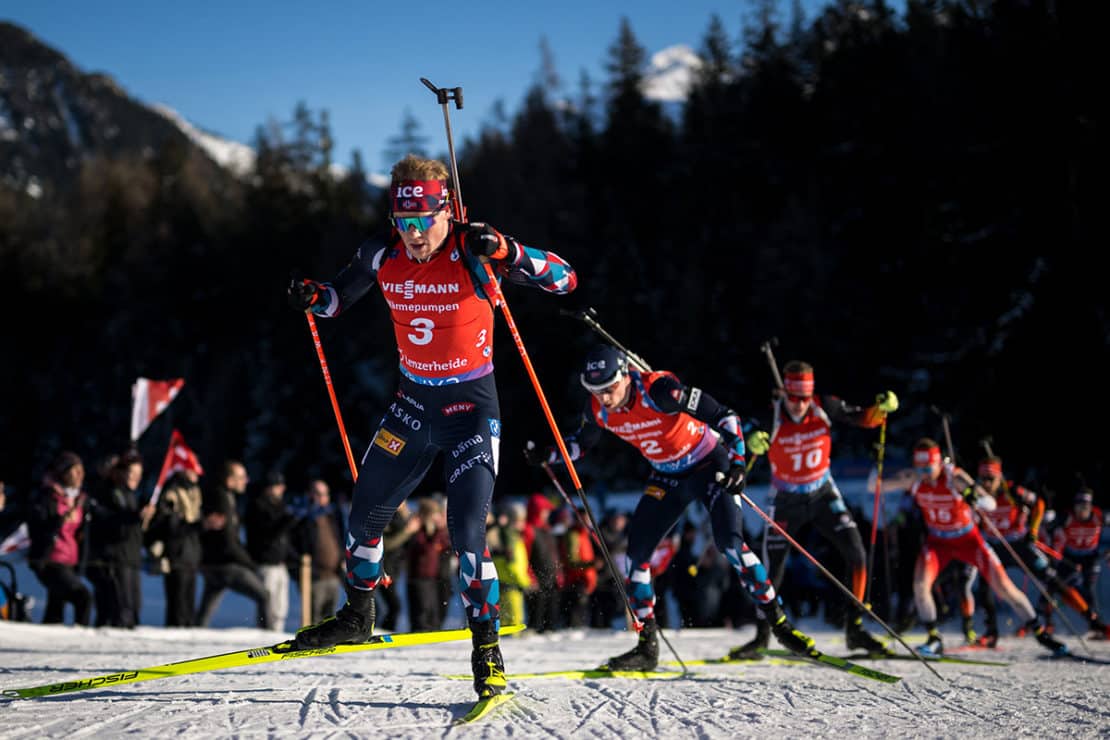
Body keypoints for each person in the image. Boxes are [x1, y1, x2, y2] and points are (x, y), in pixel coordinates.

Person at [286, 153, 577, 699]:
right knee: (363, 515)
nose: (415, 234)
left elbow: (565, 279)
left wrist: (509, 250)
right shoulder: (382, 253)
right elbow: (335, 301)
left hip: (471, 413)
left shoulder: (473, 250)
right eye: (405, 222)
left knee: (467, 530)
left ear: (448, 210)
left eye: (424, 221)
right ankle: (357, 613)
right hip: (413, 408)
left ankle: (486, 649)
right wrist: (312, 297)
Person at [527, 345, 816, 671]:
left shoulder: (660, 390)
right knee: (636, 556)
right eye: (595, 390)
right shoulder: (598, 408)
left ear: (625, 375)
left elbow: (726, 417)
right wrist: (548, 454)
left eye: (609, 388)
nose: (604, 397)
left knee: (730, 545)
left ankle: (779, 624)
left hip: (709, 464)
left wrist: (737, 463)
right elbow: (581, 444)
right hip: (667, 476)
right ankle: (647, 647)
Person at [735, 360, 898, 658]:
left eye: (805, 399)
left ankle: (855, 628)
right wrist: (750, 441)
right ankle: (761, 636)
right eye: (794, 398)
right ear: (784, 392)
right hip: (785, 499)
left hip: (823, 493)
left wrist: (881, 408)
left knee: (856, 553)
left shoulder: (826, 406)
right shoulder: (770, 414)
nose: (799, 405)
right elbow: (739, 436)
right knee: (772, 567)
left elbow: (865, 418)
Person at [898, 438, 1067, 656]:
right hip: (941, 542)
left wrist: (974, 496)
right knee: (936, 585)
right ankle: (942, 635)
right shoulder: (921, 480)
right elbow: (877, 485)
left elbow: (992, 502)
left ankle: (1041, 633)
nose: (925, 473)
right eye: (920, 468)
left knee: (1004, 588)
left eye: (928, 467)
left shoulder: (972, 481)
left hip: (974, 541)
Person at [967, 456, 1104, 646]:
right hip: (995, 545)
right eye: (983, 479)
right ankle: (991, 632)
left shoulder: (1012, 490)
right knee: (985, 585)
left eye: (991, 479)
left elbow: (1038, 503)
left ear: (999, 477)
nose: (987, 483)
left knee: (1052, 580)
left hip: (1019, 543)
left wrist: (1032, 529)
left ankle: (1093, 621)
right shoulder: (977, 493)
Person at [197, 460, 271, 629]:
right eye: (242, 477)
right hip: (225, 563)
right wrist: (250, 564)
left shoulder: (225, 497)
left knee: (207, 607)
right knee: (264, 595)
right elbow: (228, 540)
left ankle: (195, 631)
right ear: (230, 480)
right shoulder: (221, 499)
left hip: (214, 562)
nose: (246, 480)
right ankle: (268, 635)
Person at [86, 450, 152, 627]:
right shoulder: (105, 491)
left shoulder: (132, 495)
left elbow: (135, 529)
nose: (135, 478)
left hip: (131, 558)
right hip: (113, 559)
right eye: (131, 473)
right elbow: (108, 521)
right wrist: (134, 517)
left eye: (139, 474)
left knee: (133, 609)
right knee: (118, 611)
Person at [26, 451, 92, 625]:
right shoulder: (47, 497)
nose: (80, 475)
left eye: (81, 470)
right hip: (50, 560)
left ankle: (52, 643)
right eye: (74, 470)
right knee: (83, 597)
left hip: (70, 561)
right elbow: (36, 528)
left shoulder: (78, 499)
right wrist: (60, 520)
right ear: (63, 472)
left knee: (55, 609)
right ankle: (83, 641)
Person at [1049, 487, 1109, 639]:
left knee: (1089, 590)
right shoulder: (1067, 517)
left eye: (1086, 505)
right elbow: (1050, 530)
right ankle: (1047, 623)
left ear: (1091, 506)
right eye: (1079, 504)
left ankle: (1096, 627)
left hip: (1090, 556)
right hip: (1070, 556)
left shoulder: (1100, 516)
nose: (1082, 509)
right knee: (1055, 586)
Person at [148, 466, 205, 626]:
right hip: (176, 556)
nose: (197, 473)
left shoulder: (194, 493)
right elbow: (171, 527)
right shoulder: (171, 493)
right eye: (192, 469)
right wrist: (200, 525)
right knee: (177, 608)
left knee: (188, 609)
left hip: (191, 555)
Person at [245, 471, 298, 632]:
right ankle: (265, 634)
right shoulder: (258, 506)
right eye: (277, 486)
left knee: (281, 607)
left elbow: (284, 537)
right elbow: (268, 534)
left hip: (280, 563)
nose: (281, 489)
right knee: (268, 605)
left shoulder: (280, 506)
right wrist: (288, 520)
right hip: (265, 563)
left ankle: (276, 632)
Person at [293, 479, 347, 625]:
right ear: (309, 495)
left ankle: (326, 645)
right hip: (314, 576)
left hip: (333, 574)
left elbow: (340, 539)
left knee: (329, 616)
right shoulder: (302, 517)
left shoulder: (332, 515)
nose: (322, 497)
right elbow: (297, 544)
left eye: (325, 494)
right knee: (313, 617)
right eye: (317, 493)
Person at [404, 496, 452, 631]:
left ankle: (433, 631)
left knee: (433, 610)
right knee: (422, 611)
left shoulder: (434, 531)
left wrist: (440, 531)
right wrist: (437, 533)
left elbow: (444, 546)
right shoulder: (417, 529)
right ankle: (421, 633)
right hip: (419, 576)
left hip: (432, 576)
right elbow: (426, 550)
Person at [522, 493, 560, 633]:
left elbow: (554, 555)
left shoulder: (547, 529)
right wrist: (530, 577)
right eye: (545, 510)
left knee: (551, 622)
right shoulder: (528, 530)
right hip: (536, 580)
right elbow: (524, 557)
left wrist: (558, 574)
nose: (547, 513)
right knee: (536, 621)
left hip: (551, 579)